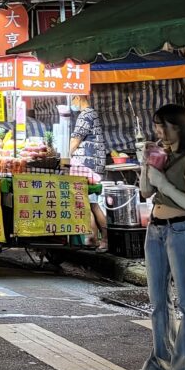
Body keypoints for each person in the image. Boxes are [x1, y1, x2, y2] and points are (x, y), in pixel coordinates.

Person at [137, 104, 185, 370]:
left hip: (181, 230)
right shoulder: (163, 156)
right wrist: (146, 165)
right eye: (157, 125)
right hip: (155, 230)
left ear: (179, 126)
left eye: (165, 125)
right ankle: (162, 359)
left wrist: (163, 183)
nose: (160, 131)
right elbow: (144, 192)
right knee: (158, 301)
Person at [69, 95, 109, 252]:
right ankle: (95, 238)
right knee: (90, 202)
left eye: (72, 100)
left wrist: (65, 155)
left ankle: (97, 238)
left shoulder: (85, 114)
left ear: (78, 97)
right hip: (93, 162)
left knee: (87, 201)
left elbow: (76, 139)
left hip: (87, 164)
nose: (72, 104)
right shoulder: (92, 113)